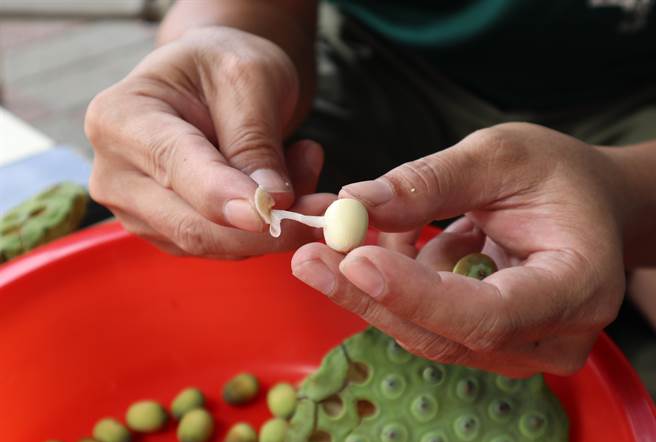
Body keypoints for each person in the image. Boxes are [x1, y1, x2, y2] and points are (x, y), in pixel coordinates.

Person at [84, 1, 656, 378]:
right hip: (377, 66)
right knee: (165, 210)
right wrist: (219, 49)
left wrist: (626, 198)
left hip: (637, 107)